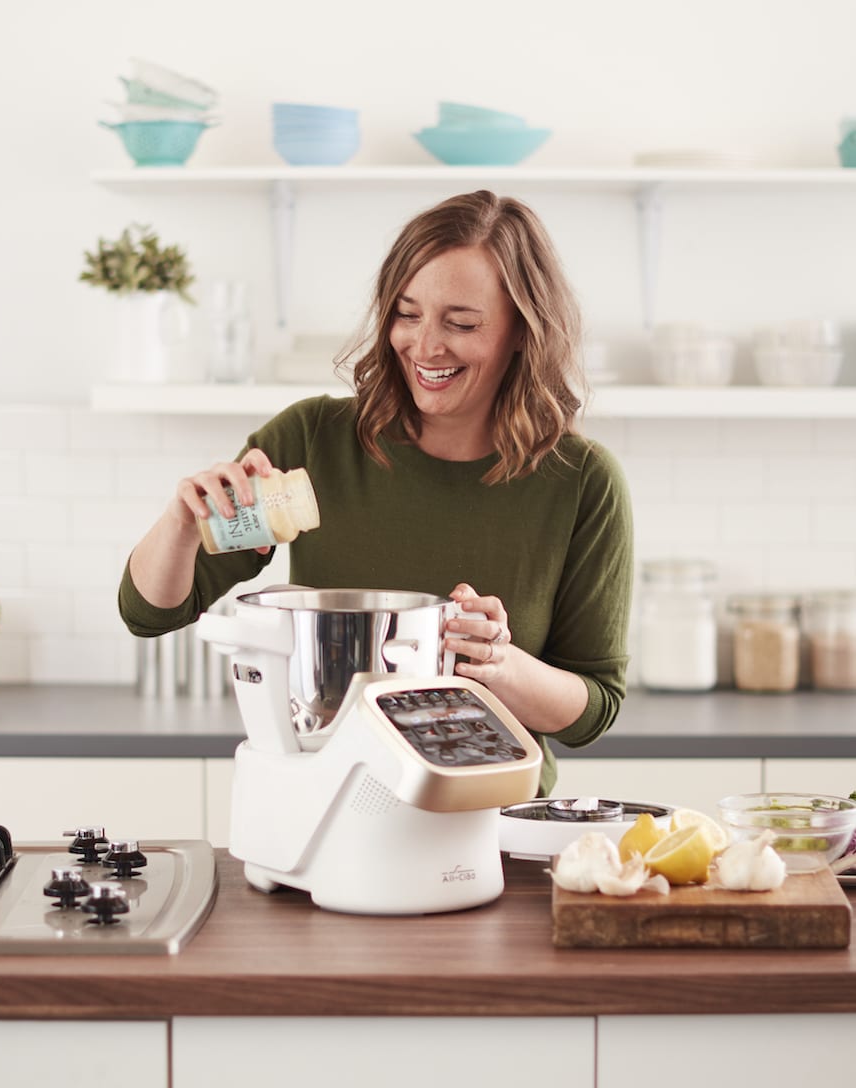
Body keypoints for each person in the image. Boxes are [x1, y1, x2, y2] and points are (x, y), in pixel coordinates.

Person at [119, 189, 633, 796]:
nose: (425, 345)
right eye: (407, 314)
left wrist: (499, 664)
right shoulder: (313, 442)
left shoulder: (581, 480)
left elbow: (592, 710)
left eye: (461, 323)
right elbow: (150, 611)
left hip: (489, 822)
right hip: (322, 802)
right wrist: (183, 521)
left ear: (523, 331)